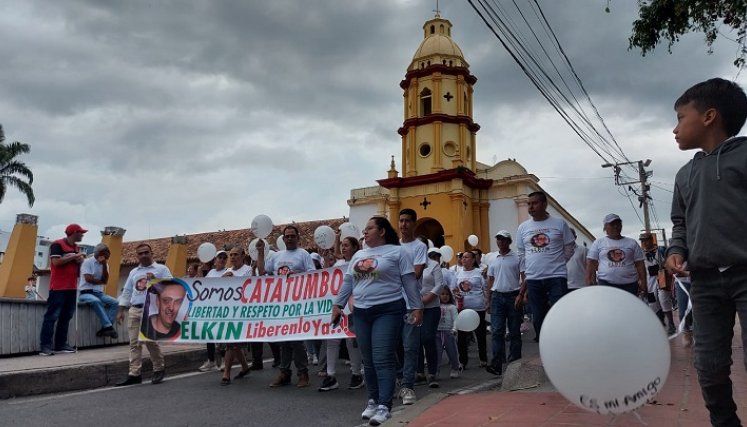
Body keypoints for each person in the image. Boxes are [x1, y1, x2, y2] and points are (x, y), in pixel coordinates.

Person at [664, 78, 747, 427]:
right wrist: (676, 250)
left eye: (682, 117)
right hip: (705, 283)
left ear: (710, 116)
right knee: (709, 365)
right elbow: (679, 223)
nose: (675, 127)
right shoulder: (685, 174)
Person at [331, 216, 423, 426]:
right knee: (368, 360)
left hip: (388, 310)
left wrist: (418, 307)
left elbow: (409, 281)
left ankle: (384, 405)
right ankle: (372, 400)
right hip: (362, 312)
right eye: (365, 229)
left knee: (382, 357)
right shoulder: (359, 255)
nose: (365, 232)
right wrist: (337, 305)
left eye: (369, 228)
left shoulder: (397, 252)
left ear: (382, 231)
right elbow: (348, 282)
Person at [257, 225, 315, 388]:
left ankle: (303, 374)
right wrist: (261, 252)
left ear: (298, 238)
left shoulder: (304, 254)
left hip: (297, 303)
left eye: (292, 236)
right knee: (283, 340)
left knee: (297, 341)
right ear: (283, 239)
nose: (289, 239)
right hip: (280, 304)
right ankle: (284, 373)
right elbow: (262, 272)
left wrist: (297, 277)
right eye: (287, 236)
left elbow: (313, 275)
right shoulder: (276, 256)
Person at [516, 191, 574, 342]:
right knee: (538, 316)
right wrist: (525, 276)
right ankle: (545, 346)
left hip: (556, 277)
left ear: (544, 204)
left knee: (559, 313)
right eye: (529, 204)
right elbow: (522, 253)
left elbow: (569, 247)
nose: (531, 207)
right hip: (534, 278)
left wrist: (559, 262)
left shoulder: (559, 223)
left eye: (534, 203)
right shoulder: (523, 228)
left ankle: (563, 343)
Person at [115, 243, 172, 386]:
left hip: (151, 308)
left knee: (150, 341)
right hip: (134, 309)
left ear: (151, 253)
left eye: (146, 252)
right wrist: (121, 310)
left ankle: (159, 368)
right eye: (140, 253)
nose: (143, 255)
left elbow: (171, 287)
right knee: (134, 343)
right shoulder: (134, 272)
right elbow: (127, 291)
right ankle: (134, 373)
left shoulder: (161, 269)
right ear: (137, 256)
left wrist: (155, 281)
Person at [320, 232, 365, 392]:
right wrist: (326, 262)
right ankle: (330, 376)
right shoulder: (338, 264)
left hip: (353, 306)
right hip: (338, 307)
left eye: (347, 245)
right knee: (332, 341)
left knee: (351, 341)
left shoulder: (361, 262)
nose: (343, 248)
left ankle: (356, 374)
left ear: (355, 248)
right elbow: (325, 278)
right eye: (342, 245)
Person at [39, 223, 87, 356]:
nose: (82, 235)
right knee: (52, 316)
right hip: (58, 287)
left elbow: (77, 262)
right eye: (80, 232)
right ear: (73, 233)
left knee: (66, 317)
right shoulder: (57, 244)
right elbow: (56, 262)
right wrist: (74, 256)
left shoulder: (76, 247)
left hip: (72, 286)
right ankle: (45, 346)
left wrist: (80, 260)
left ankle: (60, 345)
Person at [396, 208, 427, 406]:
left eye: (408, 221)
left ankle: (407, 386)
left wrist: (392, 278)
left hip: (411, 305)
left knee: (409, 347)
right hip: (393, 304)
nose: (404, 224)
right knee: (393, 346)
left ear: (414, 224)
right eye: (401, 221)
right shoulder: (392, 247)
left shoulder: (419, 246)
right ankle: (400, 378)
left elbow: (415, 273)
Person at [486, 230, 523, 377]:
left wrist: (522, 294)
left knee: (514, 331)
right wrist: (488, 299)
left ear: (509, 241)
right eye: (498, 239)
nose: (500, 242)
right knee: (497, 331)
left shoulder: (517, 257)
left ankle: (515, 362)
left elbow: (524, 276)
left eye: (503, 239)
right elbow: (490, 279)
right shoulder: (493, 258)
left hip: (513, 295)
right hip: (497, 296)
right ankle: (497, 362)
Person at [585, 214, 647, 297]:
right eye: (612, 224)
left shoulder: (632, 243)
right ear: (605, 227)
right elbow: (591, 262)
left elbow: (640, 264)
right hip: (606, 284)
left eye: (618, 224)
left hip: (630, 285)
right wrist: (589, 280)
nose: (616, 227)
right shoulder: (598, 243)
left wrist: (644, 283)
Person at [220, 246, 252, 385]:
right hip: (229, 310)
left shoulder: (248, 270)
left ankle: (226, 373)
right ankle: (245, 367)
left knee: (232, 341)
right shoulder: (227, 271)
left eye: (236, 254)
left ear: (242, 256)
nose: (232, 257)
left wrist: (235, 280)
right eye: (231, 255)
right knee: (233, 342)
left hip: (242, 311)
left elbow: (250, 287)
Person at [453, 250, 488, 369]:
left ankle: (483, 359)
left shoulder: (479, 273)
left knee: (480, 334)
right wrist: (456, 294)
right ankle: (462, 361)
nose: (463, 259)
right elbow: (454, 288)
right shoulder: (457, 273)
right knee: (462, 336)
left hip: (478, 307)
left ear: (473, 260)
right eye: (462, 257)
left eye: (467, 257)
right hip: (462, 308)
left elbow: (486, 288)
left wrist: (488, 302)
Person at [417, 247, 445, 388]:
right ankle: (419, 372)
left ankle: (432, 372)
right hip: (414, 307)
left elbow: (440, 285)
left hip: (431, 307)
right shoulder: (410, 263)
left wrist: (426, 299)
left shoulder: (433, 264)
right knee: (415, 340)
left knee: (428, 337)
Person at [78, 243, 118, 339]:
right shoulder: (87, 262)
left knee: (115, 303)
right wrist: (100, 281)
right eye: (105, 256)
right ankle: (108, 326)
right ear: (99, 253)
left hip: (99, 293)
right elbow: (88, 279)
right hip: (85, 293)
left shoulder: (105, 265)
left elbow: (105, 281)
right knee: (95, 301)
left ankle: (106, 327)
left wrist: (104, 264)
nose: (107, 259)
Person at [198, 250, 228, 372]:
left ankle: (225, 360)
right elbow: (202, 286)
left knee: (221, 336)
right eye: (219, 257)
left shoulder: (228, 272)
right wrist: (200, 271)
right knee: (209, 335)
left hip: (222, 308)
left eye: (224, 258)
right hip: (210, 308)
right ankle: (211, 361)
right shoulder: (210, 273)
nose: (221, 259)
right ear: (215, 260)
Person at [641, 232, 677, 335]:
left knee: (664, 299)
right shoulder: (641, 253)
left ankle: (671, 324)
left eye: (647, 240)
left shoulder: (661, 250)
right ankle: (659, 323)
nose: (645, 243)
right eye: (643, 241)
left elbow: (668, 262)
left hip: (661, 277)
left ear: (651, 240)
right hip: (649, 280)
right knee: (653, 303)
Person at [436, 287, 460, 379]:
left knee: (452, 351)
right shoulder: (436, 306)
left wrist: (454, 329)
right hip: (437, 332)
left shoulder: (452, 307)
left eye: (447, 294)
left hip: (449, 332)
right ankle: (435, 371)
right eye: (442, 294)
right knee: (437, 353)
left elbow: (456, 319)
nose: (445, 296)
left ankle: (455, 368)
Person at [565, 229, 588, 293]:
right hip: (564, 286)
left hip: (580, 286)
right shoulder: (558, 251)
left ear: (575, 237)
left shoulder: (584, 250)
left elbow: (589, 267)